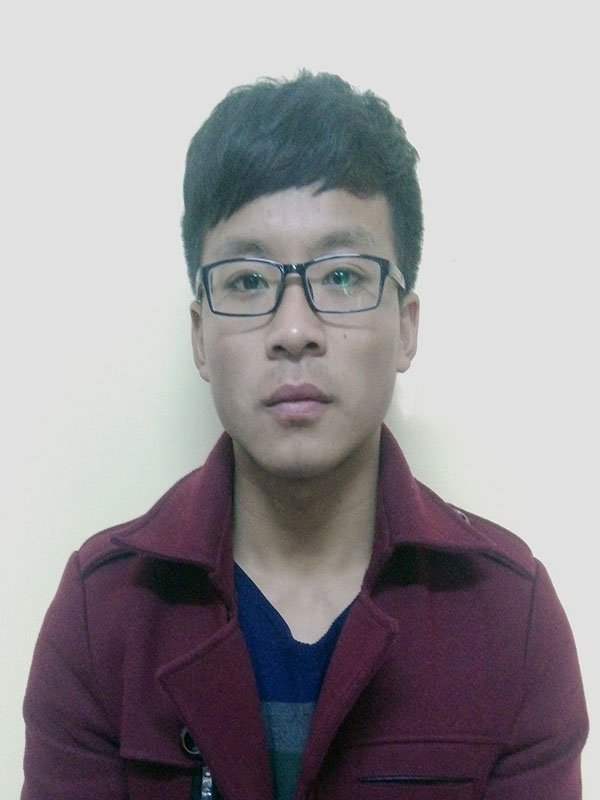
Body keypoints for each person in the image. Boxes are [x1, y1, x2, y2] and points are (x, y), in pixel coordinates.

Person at [22, 71, 588, 800]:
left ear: (405, 327)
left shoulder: (509, 617)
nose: (294, 330)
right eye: (248, 281)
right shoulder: (105, 614)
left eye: (343, 277)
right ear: (200, 336)